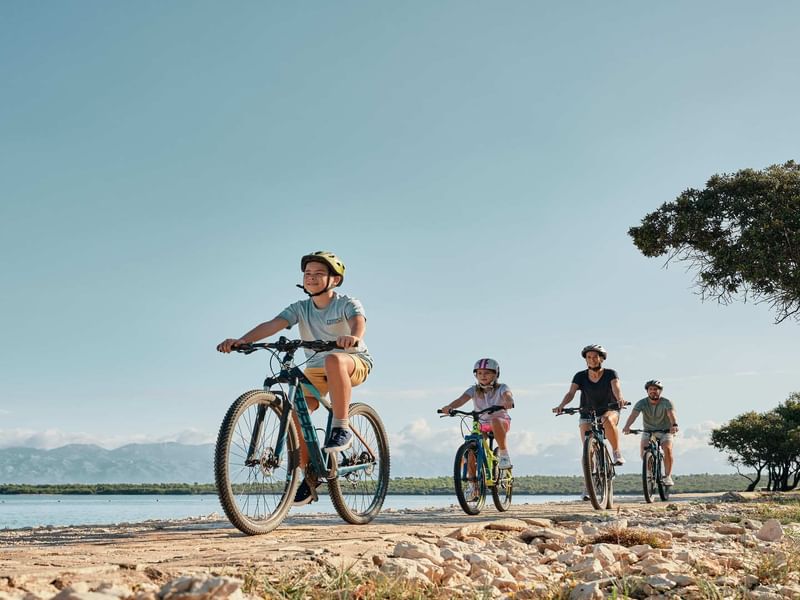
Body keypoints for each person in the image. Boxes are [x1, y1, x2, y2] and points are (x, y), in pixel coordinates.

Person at [216, 251, 373, 506]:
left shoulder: (347, 303)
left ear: (334, 279)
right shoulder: (300, 308)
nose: (311, 278)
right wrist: (242, 341)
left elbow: (358, 322)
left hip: (352, 362)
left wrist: (353, 337)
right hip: (315, 370)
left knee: (334, 359)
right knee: (296, 410)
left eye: (318, 274)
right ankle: (307, 473)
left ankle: (341, 426)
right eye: (307, 274)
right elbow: (273, 324)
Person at [552, 344, 628, 499]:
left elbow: (616, 388)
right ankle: (588, 485)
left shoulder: (610, 373)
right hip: (587, 412)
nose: (592, 360)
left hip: (609, 409)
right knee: (588, 449)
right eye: (589, 357)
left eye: (595, 357)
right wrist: (562, 405)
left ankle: (616, 452)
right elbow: (571, 393)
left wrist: (620, 399)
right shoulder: (580, 376)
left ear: (601, 358)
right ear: (585, 360)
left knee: (606, 419)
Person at [440, 358, 515, 481]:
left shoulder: (502, 388)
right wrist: (450, 407)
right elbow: (461, 399)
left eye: (487, 373)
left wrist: (509, 401)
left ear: (495, 374)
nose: (482, 376)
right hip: (482, 424)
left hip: (501, 422)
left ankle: (504, 454)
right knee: (471, 450)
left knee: (495, 420)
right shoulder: (473, 390)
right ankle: (473, 485)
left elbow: (508, 395)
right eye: (479, 373)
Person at [622, 380, 678, 486]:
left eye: (656, 389)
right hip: (648, 431)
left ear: (660, 391)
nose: (653, 391)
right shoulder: (641, 403)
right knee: (644, 452)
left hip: (665, 430)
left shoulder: (666, 402)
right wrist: (627, 426)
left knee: (667, 449)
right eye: (651, 389)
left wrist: (674, 424)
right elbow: (633, 415)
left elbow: (671, 414)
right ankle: (650, 472)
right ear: (647, 391)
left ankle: (668, 476)